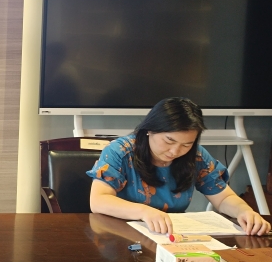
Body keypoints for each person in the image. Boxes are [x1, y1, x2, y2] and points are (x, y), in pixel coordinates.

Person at [87, 97, 270, 235]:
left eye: (186, 144)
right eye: (169, 140)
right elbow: (99, 200)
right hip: (121, 233)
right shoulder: (121, 151)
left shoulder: (196, 156)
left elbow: (223, 198)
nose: (175, 151)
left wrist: (245, 212)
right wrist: (144, 212)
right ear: (150, 129)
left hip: (170, 236)